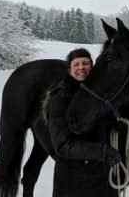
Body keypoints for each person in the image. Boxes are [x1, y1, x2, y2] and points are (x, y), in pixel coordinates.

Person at [47, 48, 121, 197]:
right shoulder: (60, 99)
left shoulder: (99, 96)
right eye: (76, 64)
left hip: (102, 178)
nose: (81, 67)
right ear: (69, 70)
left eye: (86, 63)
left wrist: (113, 124)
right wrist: (102, 152)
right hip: (73, 182)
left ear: (92, 67)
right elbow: (63, 145)